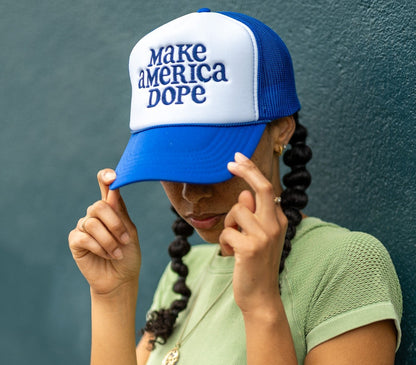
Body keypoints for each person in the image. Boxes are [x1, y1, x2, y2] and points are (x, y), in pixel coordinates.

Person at [68, 9, 402, 365]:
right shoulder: (186, 270)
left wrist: (260, 304)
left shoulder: (345, 264)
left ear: (281, 130)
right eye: (170, 166)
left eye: (211, 164)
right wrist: (112, 296)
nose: (190, 195)